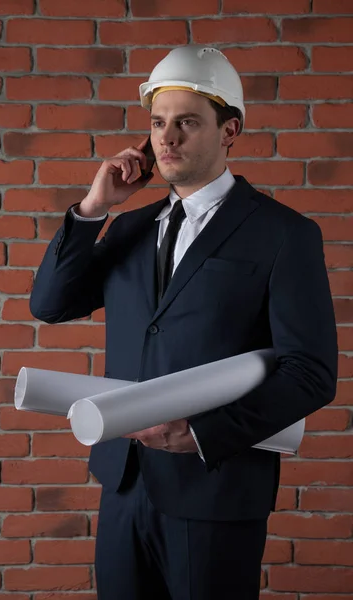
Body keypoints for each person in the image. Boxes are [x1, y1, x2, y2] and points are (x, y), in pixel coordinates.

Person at [30, 46, 338, 600]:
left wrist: (200, 434)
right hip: (124, 486)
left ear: (229, 131)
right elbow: (49, 304)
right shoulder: (129, 228)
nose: (166, 138)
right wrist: (94, 208)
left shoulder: (284, 234)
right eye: (158, 123)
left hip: (216, 489)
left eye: (187, 122)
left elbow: (310, 372)